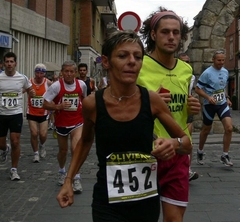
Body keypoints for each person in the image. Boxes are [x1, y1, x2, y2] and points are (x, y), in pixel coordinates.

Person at [56, 31, 192, 222]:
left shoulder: (152, 100)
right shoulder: (92, 104)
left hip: (145, 201)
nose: (132, 61)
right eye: (122, 56)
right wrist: (69, 180)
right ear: (106, 62)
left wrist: (174, 144)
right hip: (107, 200)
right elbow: (85, 141)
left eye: (137, 57)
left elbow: (186, 143)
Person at [137, 7, 201, 222]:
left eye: (176, 32)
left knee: (174, 219)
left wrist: (191, 108)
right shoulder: (138, 65)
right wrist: (147, 101)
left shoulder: (186, 69)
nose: (171, 37)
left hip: (178, 151)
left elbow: (184, 108)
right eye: (165, 32)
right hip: (146, 152)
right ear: (153, 35)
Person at [43, 60, 87, 193]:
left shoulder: (81, 84)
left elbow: (84, 99)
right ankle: (62, 171)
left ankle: (76, 177)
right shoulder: (56, 86)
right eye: (66, 71)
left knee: (76, 148)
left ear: (75, 73)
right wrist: (58, 106)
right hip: (61, 123)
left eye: (71, 71)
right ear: (62, 73)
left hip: (78, 121)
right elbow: (44, 104)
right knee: (63, 151)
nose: (69, 74)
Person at [0, 52, 36, 180]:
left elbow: (30, 89)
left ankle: (14, 169)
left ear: (15, 63)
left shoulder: (22, 78)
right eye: (7, 62)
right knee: (1, 143)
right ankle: (5, 149)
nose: (9, 64)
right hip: (1, 114)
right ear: (4, 63)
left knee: (15, 141)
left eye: (11, 61)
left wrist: (31, 93)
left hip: (16, 113)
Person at [195, 50, 234, 167]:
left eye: (223, 60)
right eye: (219, 60)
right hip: (209, 105)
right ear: (213, 60)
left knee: (229, 128)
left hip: (222, 103)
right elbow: (197, 88)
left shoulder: (226, 72)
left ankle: (225, 155)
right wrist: (208, 97)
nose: (221, 62)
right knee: (206, 130)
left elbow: (223, 87)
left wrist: (227, 97)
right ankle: (200, 151)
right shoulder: (207, 73)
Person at [178, 52, 199, 182]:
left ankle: (188, 169)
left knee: (188, 141)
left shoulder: (191, 76)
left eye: (188, 61)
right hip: (175, 109)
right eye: (183, 62)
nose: (186, 64)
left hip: (187, 110)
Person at [27, 63, 53, 163]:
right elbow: (21, 91)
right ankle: (36, 153)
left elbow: (55, 91)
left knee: (42, 134)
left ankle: (42, 145)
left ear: (44, 74)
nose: (39, 75)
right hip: (31, 112)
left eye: (41, 73)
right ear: (35, 73)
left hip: (43, 112)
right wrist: (28, 92)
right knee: (34, 133)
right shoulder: (29, 82)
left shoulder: (48, 83)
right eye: (37, 73)